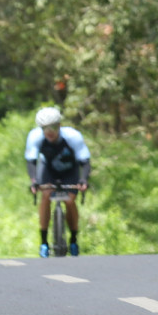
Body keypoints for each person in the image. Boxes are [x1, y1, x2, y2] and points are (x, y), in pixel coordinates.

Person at [25, 106, 91, 257]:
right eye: (45, 128)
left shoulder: (73, 136)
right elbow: (31, 161)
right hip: (48, 169)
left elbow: (85, 161)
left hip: (70, 170)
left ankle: (73, 240)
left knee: (69, 200)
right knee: (46, 195)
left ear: (60, 125)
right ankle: (44, 242)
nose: (49, 132)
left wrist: (83, 180)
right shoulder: (35, 137)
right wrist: (34, 181)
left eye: (53, 127)